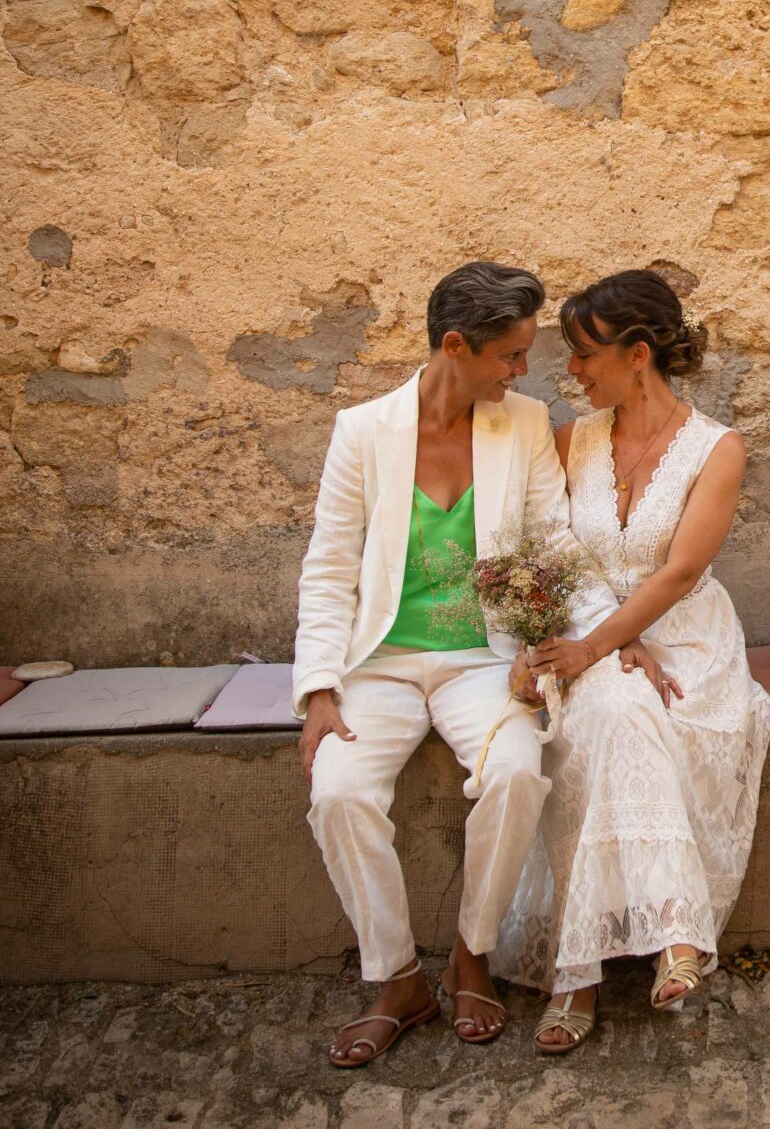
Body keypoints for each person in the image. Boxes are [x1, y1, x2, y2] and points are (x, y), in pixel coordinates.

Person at [291, 260, 665, 1067]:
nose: (523, 371)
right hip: (380, 664)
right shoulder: (362, 433)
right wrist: (319, 689)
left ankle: (472, 953)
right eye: (508, 355)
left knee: (517, 771)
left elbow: (553, 541)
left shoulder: (523, 425)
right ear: (454, 346)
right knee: (339, 790)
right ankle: (396, 979)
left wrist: (610, 632)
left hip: (480, 660)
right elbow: (327, 567)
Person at [498, 270, 770, 1054]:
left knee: (628, 706)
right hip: (596, 634)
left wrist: (609, 643)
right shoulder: (570, 441)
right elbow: (554, 549)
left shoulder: (717, 448)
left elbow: (679, 572)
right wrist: (606, 640)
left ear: (639, 353)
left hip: (685, 639)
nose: (572, 372)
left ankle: (577, 975)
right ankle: (670, 935)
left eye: (586, 354)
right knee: (616, 706)